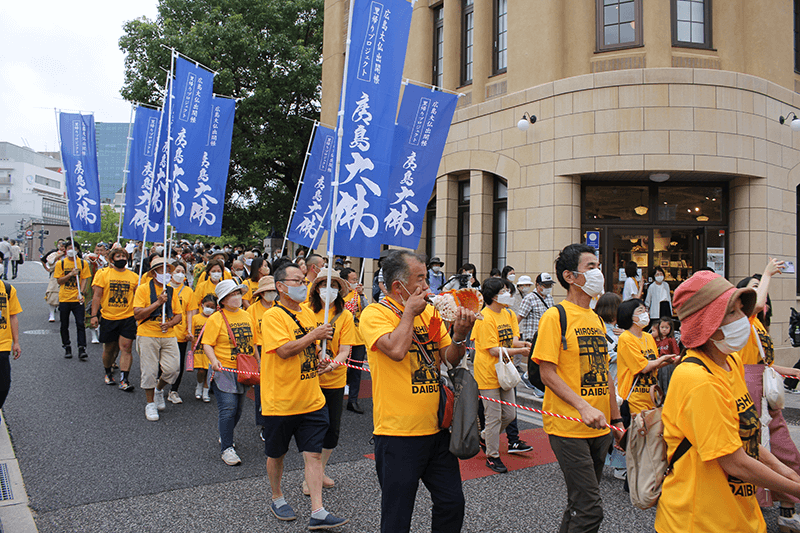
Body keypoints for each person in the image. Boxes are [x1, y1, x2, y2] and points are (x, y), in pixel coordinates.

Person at [655, 270, 800, 533]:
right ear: (707, 325)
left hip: (740, 515)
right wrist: (794, 488)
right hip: (700, 521)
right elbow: (734, 461)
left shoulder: (730, 362)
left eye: (739, 310)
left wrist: (787, 473)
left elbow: (745, 438)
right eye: (731, 313)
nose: (743, 319)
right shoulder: (696, 378)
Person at [359, 250, 475, 533]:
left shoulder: (431, 312)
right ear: (399, 286)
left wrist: (460, 335)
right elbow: (397, 350)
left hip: (437, 429)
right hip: (397, 434)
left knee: (451, 503)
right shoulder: (375, 313)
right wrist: (410, 312)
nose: (428, 286)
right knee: (397, 516)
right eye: (421, 279)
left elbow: (448, 357)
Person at [531, 243, 624, 533]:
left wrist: (616, 418)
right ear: (570, 277)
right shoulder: (555, 316)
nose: (598, 273)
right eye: (591, 267)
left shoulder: (596, 319)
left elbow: (604, 373)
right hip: (567, 426)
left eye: (598, 266)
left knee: (578, 502)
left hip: (599, 426)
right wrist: (582, 406)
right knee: (590, 509)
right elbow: (547, 373)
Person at [259, 262, 348, 529]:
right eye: (297, 281)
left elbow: (310, 350)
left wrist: (322, 363)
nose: (303, 285)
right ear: (281, 287)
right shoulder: (273, 316)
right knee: (277, 454)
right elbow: (285, 350)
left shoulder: (309, 314)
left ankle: (318, 510)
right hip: (281, 401)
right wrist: (314, 335)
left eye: (303, 280)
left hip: (312, 398)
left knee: (313, 454)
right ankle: (277, 496)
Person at [735, 260, 800, 530]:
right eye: (753, 290)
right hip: (749, 390)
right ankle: (757, 510)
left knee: (785, 450)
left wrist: (794, 372)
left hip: (765, 390)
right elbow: (756, 305)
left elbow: (766, 365)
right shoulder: (743, 321)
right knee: (756, 451)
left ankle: (787, 509)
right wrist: (768, 274)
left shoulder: (759, 326)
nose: (762, 299)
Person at [472, 277, 531, 473]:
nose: (509, 294)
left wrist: (524, 345)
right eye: (504, 290)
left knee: (510, 414)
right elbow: (493, 350)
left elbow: (511, 341)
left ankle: (484, 437)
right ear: (494, 296)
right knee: (493, 416)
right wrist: (520, 353)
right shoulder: (484, 317)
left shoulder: (508, 314)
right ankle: (492, 456)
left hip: (505, 371)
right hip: (488, 373)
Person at [308, 269, 357, 494]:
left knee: (332, 430)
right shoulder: (306, 312)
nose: (330, 290)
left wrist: (332, 364)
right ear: (317, 288)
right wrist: (319, 356)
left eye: (335, 286)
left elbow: (345, 349)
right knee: (311, 428)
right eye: (326, 285)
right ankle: (311, 476)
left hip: (335, 380)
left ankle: (321, 469)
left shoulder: (345, 316)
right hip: (309, 379)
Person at [202, 279, 255, 466]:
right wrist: (213, 360)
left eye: (238, 293)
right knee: (228, 408)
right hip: (224, 369)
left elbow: (253, 342)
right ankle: (227, 448)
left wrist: (259, 363)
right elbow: (207, 343)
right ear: (223, 300)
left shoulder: (247, 316)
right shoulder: (216, 318)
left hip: (243, 369)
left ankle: (226, 434)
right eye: (232, 294)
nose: (237, 297)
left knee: (239, 409)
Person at [132, 257, 183, 422]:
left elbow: (179, 315)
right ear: (154, 273)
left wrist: (169, 324)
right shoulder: (143, 289)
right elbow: (137, 314)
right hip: (147, 333)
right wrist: (157, 303)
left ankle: (159, 390)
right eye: (164, 270)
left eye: (169, 270)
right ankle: (150, 403)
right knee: (149, 371)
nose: (168, 274)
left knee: (173, 369)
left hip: (168, 334)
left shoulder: (171, 291)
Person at [91, 247, 138, 390]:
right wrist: (94, 315)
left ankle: (124, 379)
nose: (122, 259)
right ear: (112, 260)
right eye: (118, 257)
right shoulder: (103, 274)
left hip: (127, 317)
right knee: (109, 349)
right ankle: (107, 372)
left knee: (126, 348)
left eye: (124, 256)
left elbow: (137, 297)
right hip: (108, 317)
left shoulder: (134, 277)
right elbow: (97, 296)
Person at [248, 275, 276, 440]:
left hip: (277, 350)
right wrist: (257, 360)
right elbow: (251, 338)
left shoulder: (279, 307)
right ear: (261, 293)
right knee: (262, 391)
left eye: (273, 290)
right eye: (268, 291)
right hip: (260, 350)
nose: (271, 294)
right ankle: (264, 424)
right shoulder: (252, 309)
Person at [54, 239, 91, 360]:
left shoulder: (83, 263)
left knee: (80, 323)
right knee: (64, 324)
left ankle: (82, 348)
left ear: (78, 250)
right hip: (64, 297)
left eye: (74, 248)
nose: (71, 250)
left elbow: (85, 278)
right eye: (69, 248)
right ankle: (67, 346)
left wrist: (82, 292)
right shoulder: (61, 264)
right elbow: (59, 280)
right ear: (65, 250)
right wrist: (70, 274)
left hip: (77, 299)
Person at [166, 262, 196, 404]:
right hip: (165, 330)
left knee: (178, 363)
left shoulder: (188, 291)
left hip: (181, 331)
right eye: (177, 271)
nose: (180, 273)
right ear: (171, 273)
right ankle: (158, 387)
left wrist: (190, 330)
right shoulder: (164, 289)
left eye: (183, 271)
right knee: (164, 362)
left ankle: (174, 390)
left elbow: (190, 312)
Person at [340, 267, 368, 414]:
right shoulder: (339, 294)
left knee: (356, 370)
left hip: (358, 337)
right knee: (340, 368)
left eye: (357, 280)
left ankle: (353, 400)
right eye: (353, 280)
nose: (356, 282)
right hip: (342, 337)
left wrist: (362, 295)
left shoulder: (358, 294)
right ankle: (337, 398)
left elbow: (367, 309)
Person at [0, 280, 22, 410]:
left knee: (4, 384)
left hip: (3, 344)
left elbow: (13, 316)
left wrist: (16, 342)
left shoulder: (7, 289)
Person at [192, 294, 217, 402]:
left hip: (211, 349)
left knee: (209, 371)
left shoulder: (216, 319)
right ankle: (199, 385)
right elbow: (192, 334)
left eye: (212, 307)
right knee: (201, 371)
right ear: (202, 305)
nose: (209, 309)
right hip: (199, 349)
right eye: (207, 306)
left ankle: (206, 391)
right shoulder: (195, 318)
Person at [42, 240, 66, 322]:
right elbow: (50, 262)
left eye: (64, 246)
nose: (63, 248)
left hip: (66, 277)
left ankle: (63, 315)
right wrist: (58, 256)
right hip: (55, 276)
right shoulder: (54, 254)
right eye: (61, 246)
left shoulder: (69, 256)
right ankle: (51, 314)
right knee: (52, 295)